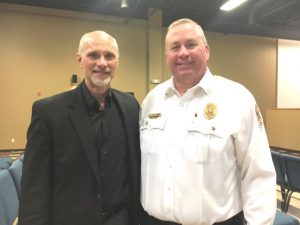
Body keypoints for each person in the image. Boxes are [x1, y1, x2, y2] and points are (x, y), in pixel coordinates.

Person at [139, 18, 276, 225]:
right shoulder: (152, 100)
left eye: (191, 44)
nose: (183, 52)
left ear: (206, 50)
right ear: (166, 56)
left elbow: (258, 174)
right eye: (175, 47)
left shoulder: (236, 98)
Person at [19, 31, 141, 225]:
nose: (102, 62)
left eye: (109, 56)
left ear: (117, 61)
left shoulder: (130, 106)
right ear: (80, 59)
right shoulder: (49, 112)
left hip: (121, 219)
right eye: (93, 55)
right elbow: (34, 187)